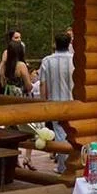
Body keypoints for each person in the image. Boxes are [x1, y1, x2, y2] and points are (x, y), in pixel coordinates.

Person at [39, 32, 74, 172]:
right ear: (69, 43)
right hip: (73, 103)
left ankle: (63, 167)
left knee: (60, 136)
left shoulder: (47, 61)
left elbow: (42, 84)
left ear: (55, 43)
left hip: (54, 103)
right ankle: (72, 165)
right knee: (72, 134)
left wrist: (43, 102)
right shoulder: (75, 60)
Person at [0, 29, 30, 94]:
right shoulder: (7, 53)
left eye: (20, 37)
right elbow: (0, 73)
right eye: (16, 38)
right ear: (11, 39)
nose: (19, 39)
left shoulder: (21, 49)